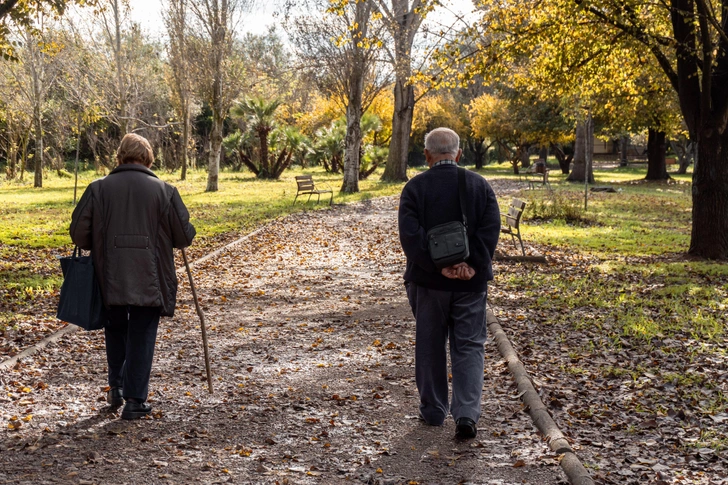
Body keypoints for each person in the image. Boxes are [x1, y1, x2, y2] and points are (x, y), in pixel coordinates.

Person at [70, 133, 196, 420]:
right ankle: (135, 400)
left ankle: (116, 387)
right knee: (141, 332)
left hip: (108, 274)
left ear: (120, 156)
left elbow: (79, 234)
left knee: (115, 328)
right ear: (148, 157)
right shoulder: (165, 190)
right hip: (149, 277)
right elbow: (183, 236)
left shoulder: (97, 188)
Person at [398, 127, 500, 439]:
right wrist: (471, 265)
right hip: (471, 284)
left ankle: (433, 411)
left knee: (430, 344)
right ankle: (467, 414)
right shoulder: (479, 185)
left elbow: (410, 238)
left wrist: (437, 268)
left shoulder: (415, 188)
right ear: (458, 154)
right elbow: (490, 227)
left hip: (428, 284)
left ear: (427, 156)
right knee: (469, 346)